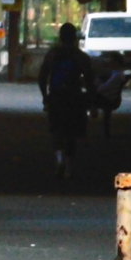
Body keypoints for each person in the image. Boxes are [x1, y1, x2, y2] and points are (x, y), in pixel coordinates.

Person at [38, 22, 96, 179]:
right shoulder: (81, 56)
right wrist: (92, 103)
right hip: (74, 97)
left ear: (60, 37)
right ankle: (69, 165)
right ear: (74, 37)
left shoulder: (52, 54)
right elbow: (90, 81)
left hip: (56, 97)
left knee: (56, 130)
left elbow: (42, 77)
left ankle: (59, 159)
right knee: (72, 132)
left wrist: (45, 97)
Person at [93, 62, 130, 139]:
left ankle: (93, 110)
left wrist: (97, 86)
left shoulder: (116, 75)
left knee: (89, 96)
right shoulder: (117, 74)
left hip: (108, 99)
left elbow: (104, 88)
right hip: (111, 97)